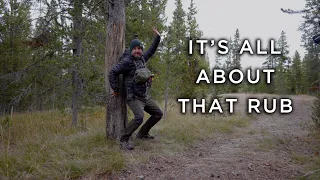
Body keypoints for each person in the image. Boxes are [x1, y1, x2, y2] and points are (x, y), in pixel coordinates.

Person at [108, 27, 163, 150]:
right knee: (139, 117)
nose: (137, 51)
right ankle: (124, 140)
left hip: (144, 96)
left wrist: (158, 37)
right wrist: (116, 89)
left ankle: (142, 134)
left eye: (139, 49)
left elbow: (151, 50)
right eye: (135, 49)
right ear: (131, 49)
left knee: (158, 114)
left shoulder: (142, 59)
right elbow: (112, 72)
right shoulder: (127, 62)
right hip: (133, 97)